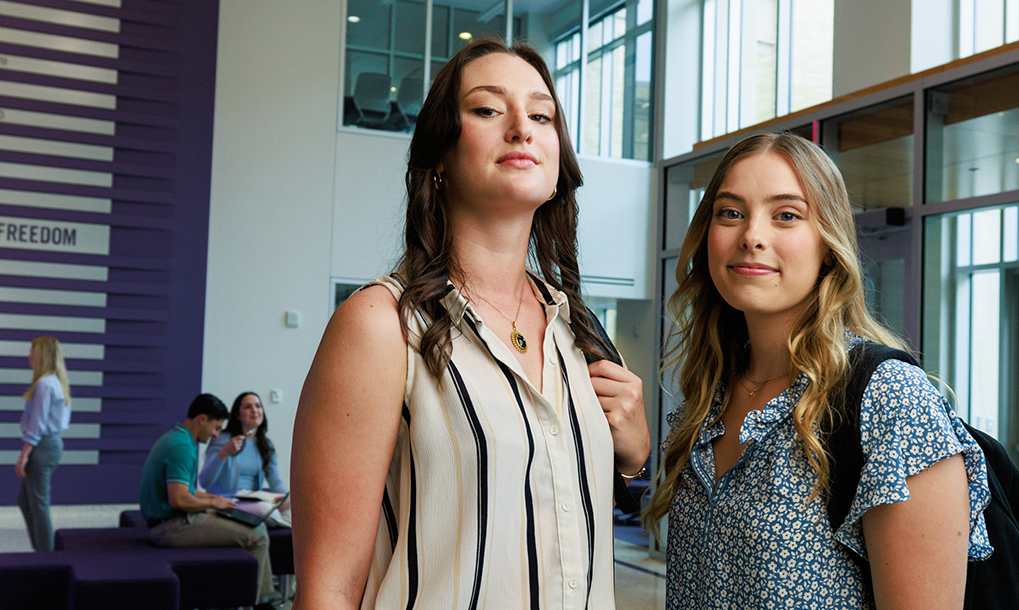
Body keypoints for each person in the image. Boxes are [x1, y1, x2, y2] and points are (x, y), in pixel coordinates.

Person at [291, 39, 650, 609]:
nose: (521, 128)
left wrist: (632, 459)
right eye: (487, 109)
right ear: (438, 156)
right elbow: (327, 591)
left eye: (541, 114)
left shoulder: (576, 333)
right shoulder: (381, 326)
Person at [645, 132, 992, 608]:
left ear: (828, 244)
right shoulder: (708, 397)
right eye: (731, 213)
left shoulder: (889, 399)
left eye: (786, 215)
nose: (752, 236)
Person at [140, 394, 280, 606]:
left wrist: (214, 498)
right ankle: (258, 601)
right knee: (258, 536)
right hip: (170, 527)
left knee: (254, 526)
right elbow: (179, 500)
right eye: (215, 428)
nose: (216, 433)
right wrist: (214, 503)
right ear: (202, 419)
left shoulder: (179, 439)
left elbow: (189, 491)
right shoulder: (182, 447)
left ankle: (263, 598)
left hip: (173, 521)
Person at [16, 336, 71, 552]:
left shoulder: (45, 384)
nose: (29, 355)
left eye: (32, 351)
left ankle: (46, 557)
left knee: (38, 505)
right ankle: (41, 551)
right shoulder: (54, 381)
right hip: (48, 445)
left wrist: (23, 456)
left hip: (43, 447)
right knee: (26, 501)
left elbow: (36, 425)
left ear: (42, 355)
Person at [199, 392, 287, 506]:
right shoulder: (221, 439)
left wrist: (288, 497)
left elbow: (275, 482)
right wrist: (224, 452)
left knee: (290, 513)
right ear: (237, 415)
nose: (254, 410)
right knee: (265, 509)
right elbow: (204, 481)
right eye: (247, 407)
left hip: (253, 499)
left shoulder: (266, 445)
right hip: (227, 501)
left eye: (258, 406)